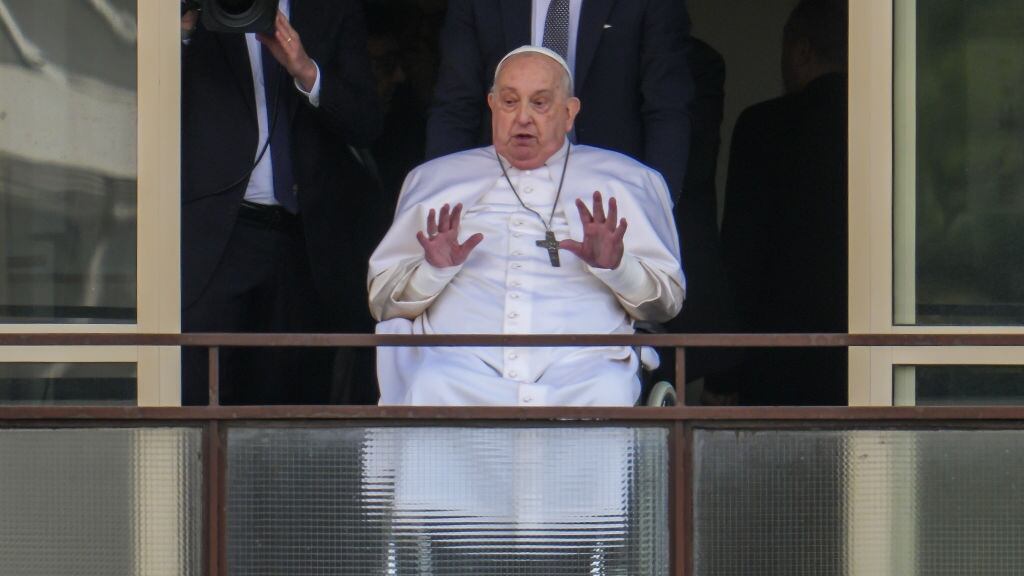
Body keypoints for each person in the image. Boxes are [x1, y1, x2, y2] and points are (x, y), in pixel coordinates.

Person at [368, 46, 685, 407]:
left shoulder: (629, 180)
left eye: (539, 103)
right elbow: (382, 301)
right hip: (460, 367)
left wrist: (617, 266)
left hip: (583, 370)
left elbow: (666, 304)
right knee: (431, 383)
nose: (521, 118)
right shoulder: (434, 180)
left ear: (569, 113)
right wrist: (432, 270)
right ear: (491, 105)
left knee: (608, 389)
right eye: (509, 102)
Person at [180, 0, 381, 405]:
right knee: (200, 397)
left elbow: (367, 123)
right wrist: (183, 30)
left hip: (303, 246)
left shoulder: (331, 11)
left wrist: (307, 73)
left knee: (290, 407)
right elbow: (138, 101)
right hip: (214, 240)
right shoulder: (200, 11)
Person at [425, 0, 693, 198]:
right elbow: (456, 105)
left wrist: (656, 204)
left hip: (611, 194)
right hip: (496, 191)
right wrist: (445, 200)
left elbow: (667, 107)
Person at [720, 0, 848, 405]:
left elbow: (741, 255)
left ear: (802, 52)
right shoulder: (890, 123)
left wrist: (724, 374)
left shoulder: (764, 126)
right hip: (874, 356)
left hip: (778, 353)